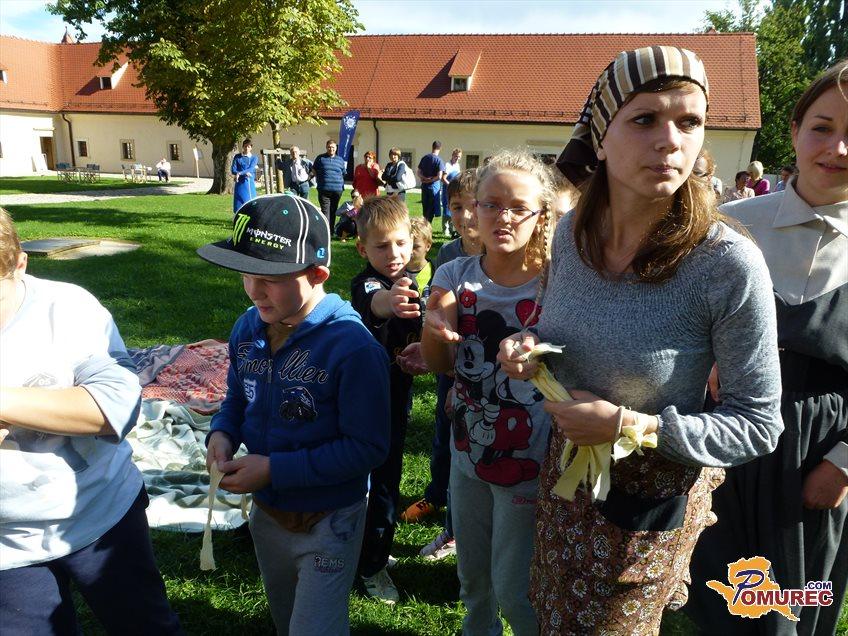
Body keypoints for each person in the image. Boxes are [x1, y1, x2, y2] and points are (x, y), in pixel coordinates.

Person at [498, 46, 783, 635]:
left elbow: (758, 424)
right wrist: (528, 349)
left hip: (644, 512)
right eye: (645, 119)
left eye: (689, 121)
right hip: (564, 489)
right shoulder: (569, 236)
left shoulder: (726, 264)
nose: (670, 140)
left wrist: (631, 427)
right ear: (601, 138)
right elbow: (560, 332)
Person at [688, 60, 848, 636]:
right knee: (723, 600)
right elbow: (685, 320)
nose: (838, 148)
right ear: (795, 130)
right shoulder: (727, 226)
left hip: (819, 453)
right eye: (822, 127)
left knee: (792, 606)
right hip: (725, 437)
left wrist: (844, 463)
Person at [198, 194, 390, 635]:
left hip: (330, 519)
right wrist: (222, 434)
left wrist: (274, 469)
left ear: (317, 274)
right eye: (246, 274)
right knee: (285, 616)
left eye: (270, 278)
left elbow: (367, 447)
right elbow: (237, 397)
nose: (254, 290)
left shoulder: (353, 348)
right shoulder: (247, 327)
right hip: (267, 513)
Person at [0, 208, 182, 635]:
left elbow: (115, 404)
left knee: (144, 625)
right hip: (9, 545)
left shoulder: (66, 308)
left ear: (21, 264)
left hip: (101, 513)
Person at [422, 150, 557, 636]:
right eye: (492, 204)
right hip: (466, 453)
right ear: (473, 209)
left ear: (541, 215)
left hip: (529, 459)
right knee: (473, 578)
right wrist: (434, 329)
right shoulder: (455, 275)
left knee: (515, 586)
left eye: (519, 207)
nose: (504, 217)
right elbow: (439, 364)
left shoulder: (557, 284)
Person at [404, 170, 483, 567]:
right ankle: (438, 500)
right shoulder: (449, 255)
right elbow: (434, 307)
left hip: (483, 371)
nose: (465, 216)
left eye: (474, 206)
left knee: (471, 443)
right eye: (456, 207)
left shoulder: (502, 254)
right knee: (444, 438)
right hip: (449, 367)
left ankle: (461, 527)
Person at [351, 197, 426, 605]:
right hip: (366, 406)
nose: (393, 253)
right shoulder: (367, 283)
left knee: (387, 481)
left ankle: (372, 549)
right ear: (363, 249)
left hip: (397, 400)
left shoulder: (411, 281)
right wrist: (392, 302)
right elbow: (375, 303)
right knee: (377, 485)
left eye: (400, 243)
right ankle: (371, 566)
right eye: (381, 246)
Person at [311, 140, 347, 230]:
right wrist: (320, 179)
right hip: (324, 189)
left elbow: (343, 173)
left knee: (333, 210)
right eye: (329, 147)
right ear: (326, 147)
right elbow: (314, 170)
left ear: (336, 148)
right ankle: (325, 230)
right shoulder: (320, 158)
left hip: (337, 190)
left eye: (333, 147)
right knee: (325, 211)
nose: (331, 149)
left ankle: (331, 230)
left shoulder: (340, 160)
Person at [418, 141, 446, 223]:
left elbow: (418, 172)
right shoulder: (439, 160)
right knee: (431, 211)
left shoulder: (425, 158)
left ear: (432, 147)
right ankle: (427, 227)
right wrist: (430, 180)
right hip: (433, 188)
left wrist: (424, 178)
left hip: (424, 187)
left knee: (425, 210)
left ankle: (424, 226)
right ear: (440, 148)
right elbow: (439, 176)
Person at [231, 138, 258, 213]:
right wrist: (240, 173)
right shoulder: (237, 157)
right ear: (243, 147)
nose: (247, 148)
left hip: (248, 182)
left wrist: (239, 173)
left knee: (250, 202)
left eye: (248, 147)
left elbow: (251, 168)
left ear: (251, 148)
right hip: (239, 183)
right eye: (245, 146)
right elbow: (233, 170)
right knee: (239, 203)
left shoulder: (254, 158)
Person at [407, 217, 434, 292]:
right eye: (407, 246)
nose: (410, 251)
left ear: (428, 246)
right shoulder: (396, 271)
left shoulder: (436, 271)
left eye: (415, 247)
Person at [441, 147, 463, 237]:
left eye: (459, 157)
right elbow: (443, 178)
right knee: (447, 209)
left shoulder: (457, 166)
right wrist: (450, 185)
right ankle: (445, 229)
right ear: (453, 155)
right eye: (456, 156)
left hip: (455, 190)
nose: (457, 158)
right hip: (447, 189)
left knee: (453, 208)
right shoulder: (447, 165)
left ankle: (451, 228)